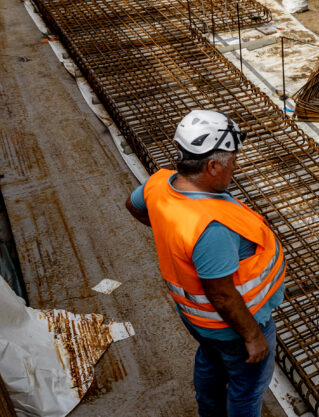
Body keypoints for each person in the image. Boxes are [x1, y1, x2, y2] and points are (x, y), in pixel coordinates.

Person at [125, 110, 285, 417]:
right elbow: (222, 295)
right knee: (247, 388)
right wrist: (252, 337)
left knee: (211, 361)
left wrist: (167, 231)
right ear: (212, 166)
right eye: (231, 162)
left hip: (198, 322)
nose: (234, 168)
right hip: (233, 328)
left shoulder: (159, 183)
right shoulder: (212, 228)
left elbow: (133, 205)